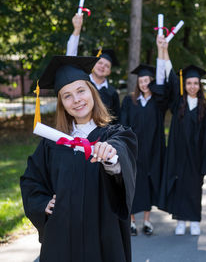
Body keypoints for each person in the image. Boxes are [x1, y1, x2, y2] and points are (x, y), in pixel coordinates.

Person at [20, 55, 137, 262]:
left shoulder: (114, 135)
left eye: (81, 90)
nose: (76, 100)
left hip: (102, 234)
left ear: (92, 92)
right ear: (62, 104)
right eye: (67, 96)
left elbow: (121, 155)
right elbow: (32, 179)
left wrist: (110, 156)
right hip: (62, 237)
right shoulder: (52, 142)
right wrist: (42, 203)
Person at [119, 35, 169, 236]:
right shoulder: (129, 102)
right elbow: (123, 125)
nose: (144, 83)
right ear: (137, 83)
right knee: (132, 184)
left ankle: (147, 221)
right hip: (134, 151)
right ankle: (131, 221)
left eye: (147, 80)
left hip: (153, 151)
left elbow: (165, 88)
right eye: (141, 80)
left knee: (148, 184)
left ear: (151, 81)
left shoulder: (158, 102)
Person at [158, 60, 206, 236]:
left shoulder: (204, 107)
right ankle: (181, 220)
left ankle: (195, 220)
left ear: (200, 85)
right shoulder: (178, 104)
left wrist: (205, 157)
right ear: (185, 84)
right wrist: (165, 53)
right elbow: (173, 80)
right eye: (189, 83)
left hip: (196, 155)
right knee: (180, 186)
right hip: (180, 154)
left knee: (195, 187)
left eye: (195, 83)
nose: (192, 86)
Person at [66, 13, 121, 122]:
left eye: (107, 66)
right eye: (100, 63)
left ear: (109, 71)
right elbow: (70, 60)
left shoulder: (112, 92)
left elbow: (117, 119)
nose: (102, 67)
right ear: (93, 64)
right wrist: (77, 30)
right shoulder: (82, 83)